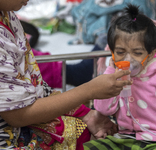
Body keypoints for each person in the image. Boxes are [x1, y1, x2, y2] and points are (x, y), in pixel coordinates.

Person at [0, 0, 132, 149]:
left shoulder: (8, 15)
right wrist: (89, 91)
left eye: (138, 52)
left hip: (21, 121)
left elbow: (34, 84)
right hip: (12, 135)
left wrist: (85, 113)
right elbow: (18, 115)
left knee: (82, 130)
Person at [84, 4, 156, 150]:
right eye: (120, 52)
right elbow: (104, 110)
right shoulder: (114, 77)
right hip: (124, 138)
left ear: (150, 54)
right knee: (89, 147)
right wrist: (110, 72)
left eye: (137, 53)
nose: (128, 59)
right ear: (112, 52)